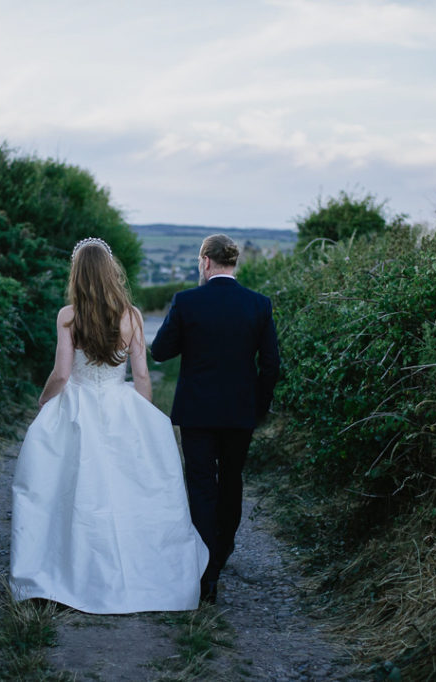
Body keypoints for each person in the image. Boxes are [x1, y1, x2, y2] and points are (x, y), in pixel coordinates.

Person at [9, 237, 208, 614]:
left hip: (77, 406)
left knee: (69, 490)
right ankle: (137, 570)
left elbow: (62, 374)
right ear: (110, 272)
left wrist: (43, 401)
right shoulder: (131, 316)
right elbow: (143, 374)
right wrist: (144, 418)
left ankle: (70, 571)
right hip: (120, 402)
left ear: (77, 275)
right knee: (127, 491)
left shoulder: (68, 316)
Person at [150, 234, 280, 604]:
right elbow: (271, 365)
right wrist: (259, 406)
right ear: (231, 262)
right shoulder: (258, 304)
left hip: (198, 413)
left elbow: (160, 351)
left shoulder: (188, 302)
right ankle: (220, 557)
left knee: (202, 485)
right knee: (231, 483)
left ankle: (205, 573)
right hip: (241, 413)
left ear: (205, 262)